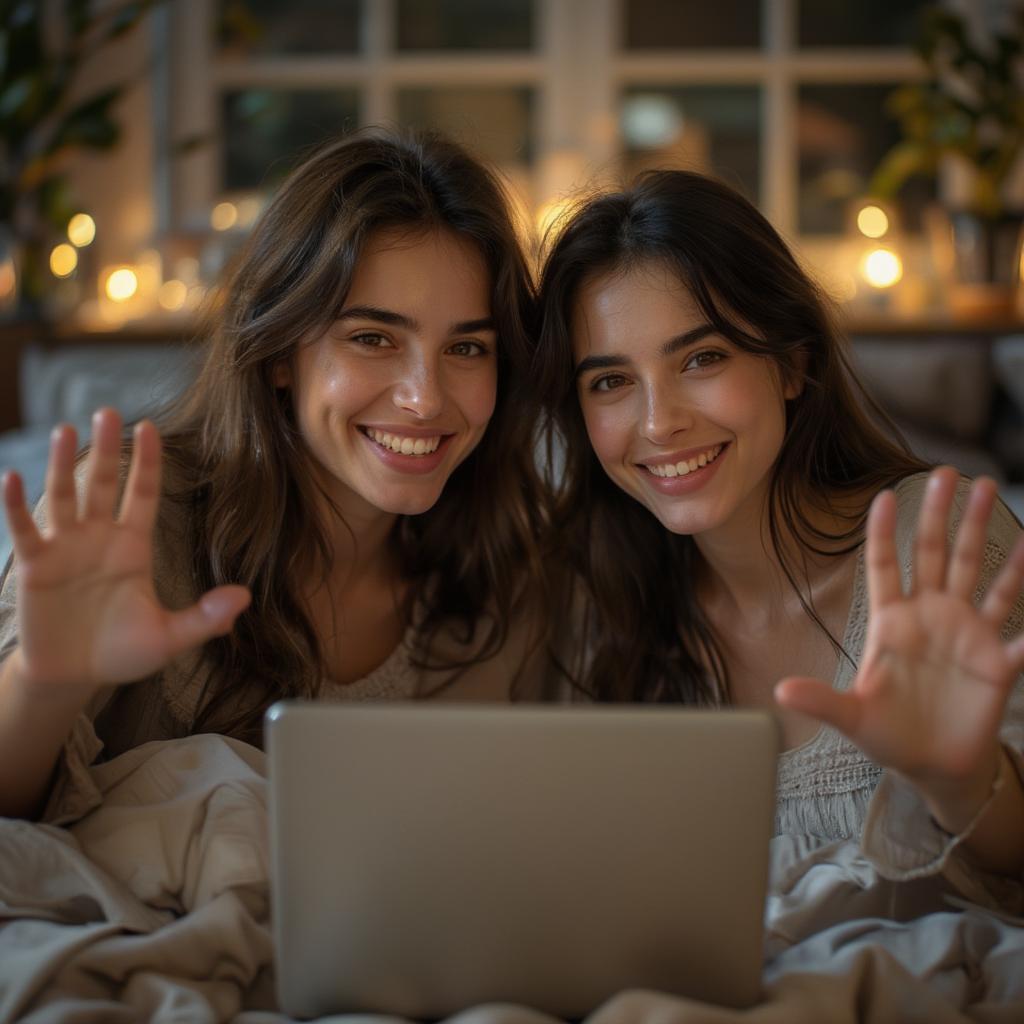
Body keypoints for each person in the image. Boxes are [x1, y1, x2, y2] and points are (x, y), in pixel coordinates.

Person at [0, 128, 557, 824]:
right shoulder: (129, 518)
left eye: (468, 347)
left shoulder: (511, 573)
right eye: (373, 338)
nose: (426, 397)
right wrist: (44, 686)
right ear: (278, 354)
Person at [534, 169, 1024, 888]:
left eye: (702, 358)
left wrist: (959, 778)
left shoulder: (939, 547)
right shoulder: (593, 599)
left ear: (792, 363)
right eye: (610, 382)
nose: (658, 421)